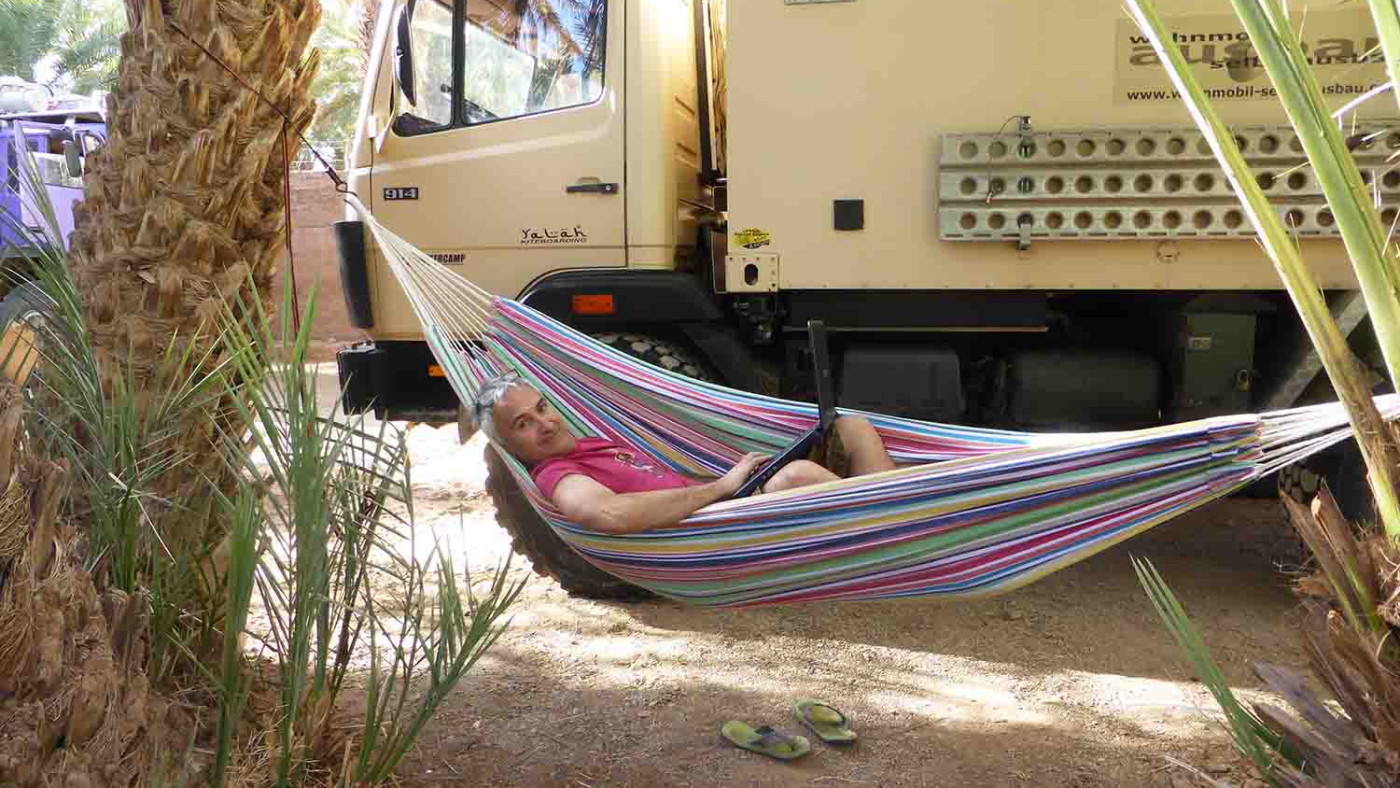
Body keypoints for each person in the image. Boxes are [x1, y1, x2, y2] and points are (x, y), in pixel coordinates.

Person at [472, 372, 897, 534]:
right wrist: (721, 487)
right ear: (508, 447)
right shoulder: (557, 474)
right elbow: (608, 514)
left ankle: (905, 512)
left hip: (726, 499)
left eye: (542, 408)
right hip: (712, 530)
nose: (545, 423)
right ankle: (896, 526)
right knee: (795, 476)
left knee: (851, 428)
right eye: (523, 424)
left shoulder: (587, 446)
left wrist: (736, 481)